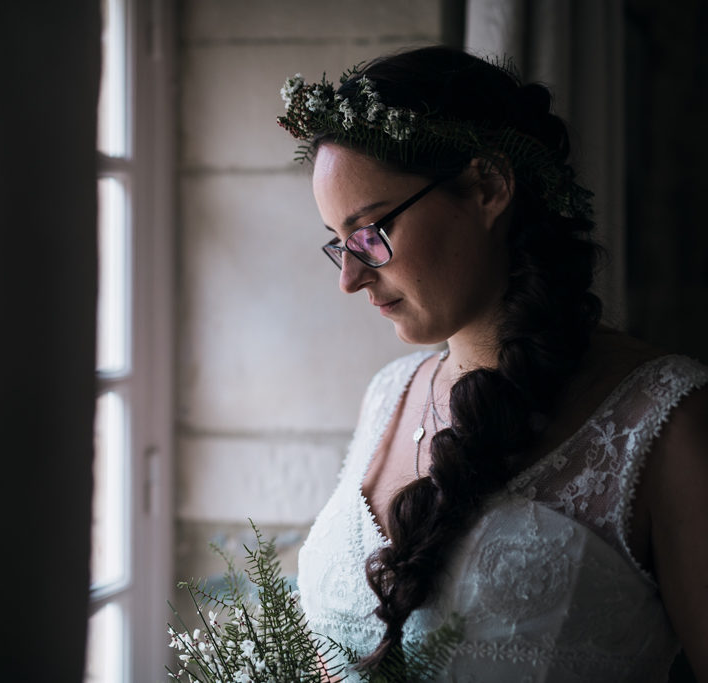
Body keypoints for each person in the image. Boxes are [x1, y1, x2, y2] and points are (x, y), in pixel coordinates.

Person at [277, 46, 708, 682]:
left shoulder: (667, 424)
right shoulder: (388, 397)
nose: (350, 278)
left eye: (371, 233)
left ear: (488, 187)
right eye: (339, 244)